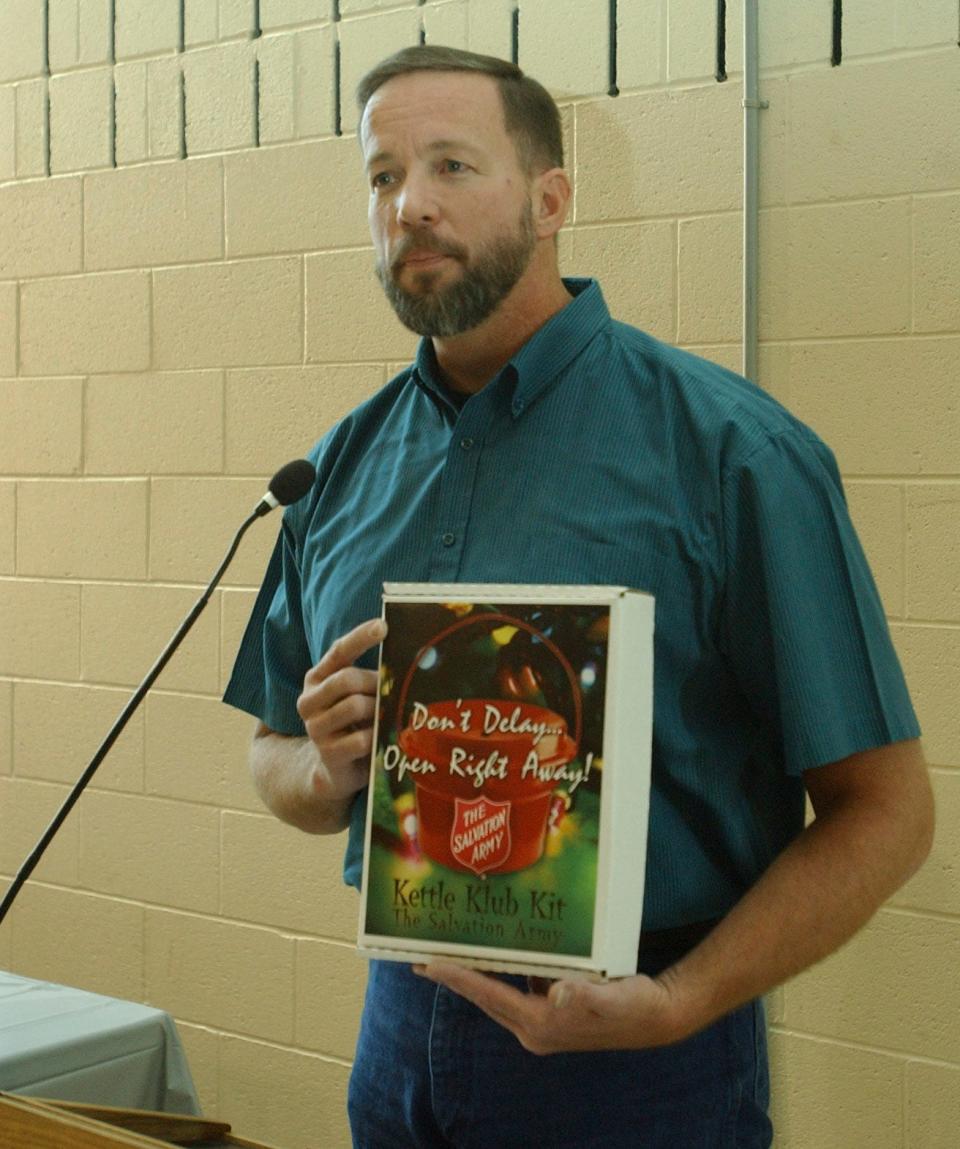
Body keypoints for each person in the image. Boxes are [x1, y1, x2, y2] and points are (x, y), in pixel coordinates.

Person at [224, 45, 934, 1148]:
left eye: (454, 166)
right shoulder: (338, 471)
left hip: (643, 1057)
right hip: (402, 1030)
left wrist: (689, 1000)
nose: (410, 205)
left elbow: (887, 812)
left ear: (552, 199)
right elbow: (272, 754)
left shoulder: (733, 453)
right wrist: (321, 768)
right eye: (382, 176)